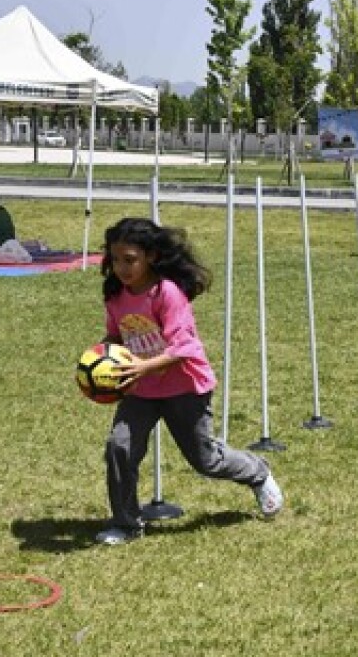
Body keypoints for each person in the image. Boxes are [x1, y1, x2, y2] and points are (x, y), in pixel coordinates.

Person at [95, 217, 283, 545]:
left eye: (130, 260)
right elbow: (116, 335)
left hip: (184, 388)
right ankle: (126, 524)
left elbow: (184, 348)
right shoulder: (115, 295)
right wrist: (99, 358)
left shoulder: (166, 293)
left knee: (206, 460)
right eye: (116, 259)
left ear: (151, 256)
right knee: (119, 447)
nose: (121, 268)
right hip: (140, 390)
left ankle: (258, 472)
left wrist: (144, 366)